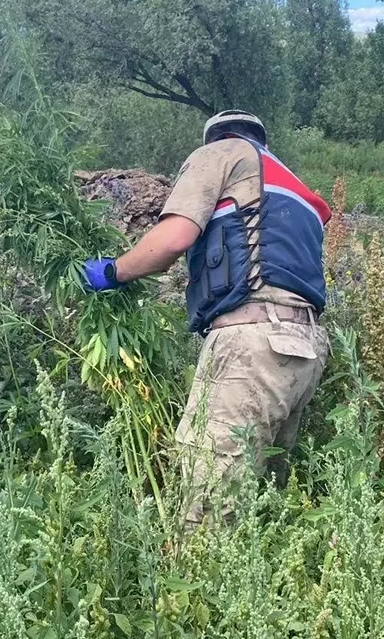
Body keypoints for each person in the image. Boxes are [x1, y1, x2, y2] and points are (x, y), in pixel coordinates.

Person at [82, 110, 332, 529]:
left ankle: (198, 591)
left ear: (214, 139)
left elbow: (174, 239)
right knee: (263, 498)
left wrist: (112, 272)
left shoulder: (222, 153)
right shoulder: (289, 185)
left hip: (252, 340)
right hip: (304, 347)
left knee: (211, 501)